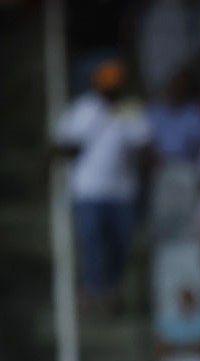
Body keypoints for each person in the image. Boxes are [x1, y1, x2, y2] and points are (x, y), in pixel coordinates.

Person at [54, 59, 150, 310]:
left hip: (122, 191)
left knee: (121, 243)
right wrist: (77, 145)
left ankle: (111, 287)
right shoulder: (83, 109)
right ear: (97, 85)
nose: (111, 89)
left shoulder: (130, 109)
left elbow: (144, 145)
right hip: (88, 189)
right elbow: (61, 145)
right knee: (92, 241)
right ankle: (95, 290)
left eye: (115, 84)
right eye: (107, 85)